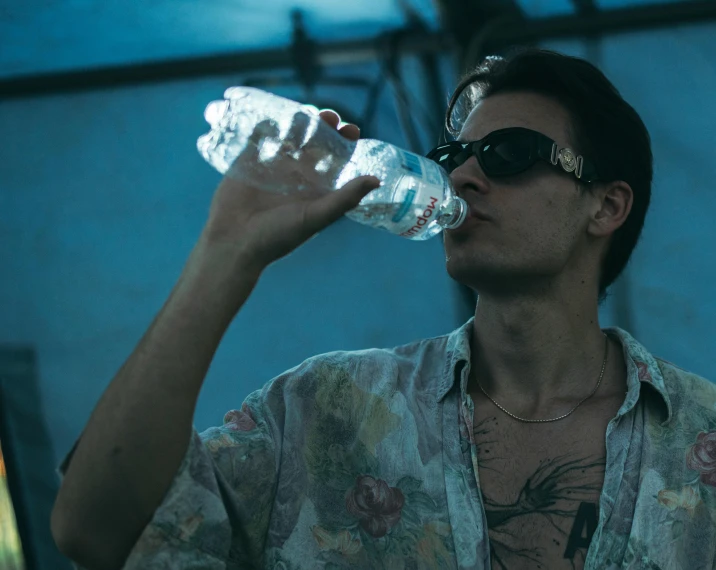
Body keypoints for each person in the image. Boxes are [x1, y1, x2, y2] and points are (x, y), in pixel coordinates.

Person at [50, 48, 716, 570]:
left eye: (509, 154)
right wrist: (226, 253)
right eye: (452, 155)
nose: (462, 176)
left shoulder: (703, 438)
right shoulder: (323, 407)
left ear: (606, 206)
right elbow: (96, 533)